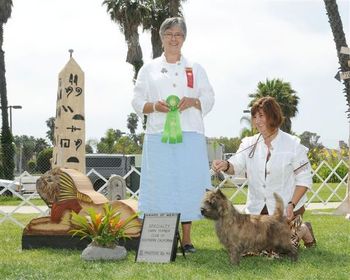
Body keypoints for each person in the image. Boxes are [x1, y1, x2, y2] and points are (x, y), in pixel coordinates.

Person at [132, 17, 215, 253]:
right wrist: (154, 107)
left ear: (184, 38)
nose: (173, 39)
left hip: (190, 133)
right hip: (158, 135)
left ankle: (187, 239)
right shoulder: (148, 69)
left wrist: (194, 101)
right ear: (161, 37)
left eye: (178, 34)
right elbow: (137, 101)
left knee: (188, 184)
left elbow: (209, 97)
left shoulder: (196, 68)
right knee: (161, 184)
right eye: (169, 34)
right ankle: (163, 238)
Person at [212, 96, 316, 249]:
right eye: (254, 117)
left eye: (261, 116)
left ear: (273, 116)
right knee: (246, 248)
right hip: (257, 210)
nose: (257, 121)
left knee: (279, 249)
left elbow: (304, 180)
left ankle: (303, 228)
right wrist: (226, 165)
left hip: (287, 209)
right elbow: (237, 164)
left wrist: (291, 204)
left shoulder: (293, 144)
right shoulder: (249, 143)